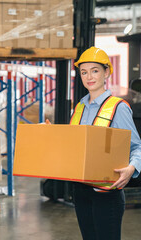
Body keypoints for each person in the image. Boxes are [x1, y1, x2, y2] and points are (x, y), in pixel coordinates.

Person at [71, 46, 141, 240]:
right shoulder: (79, 107)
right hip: (81, 191)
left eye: (95, 70)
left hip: (107, 194)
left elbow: (137, 146)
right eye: (84, 72)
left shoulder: (118, 107)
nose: (89, 77)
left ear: (107, 72)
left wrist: (132, 168)